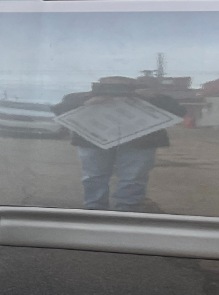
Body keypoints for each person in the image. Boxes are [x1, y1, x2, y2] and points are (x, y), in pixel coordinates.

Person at [52, 76, 186, 212]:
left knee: (133, 177)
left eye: (123, 87)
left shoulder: (151, 97)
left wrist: (149, 98)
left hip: (140, 141)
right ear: (99, 86)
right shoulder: (79, 97)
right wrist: (86, 102)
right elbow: (57, 111)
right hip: (93, 140)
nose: (116, 91)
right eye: (110, 87)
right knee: (94, 176)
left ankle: (128, 209)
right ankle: (95, 209)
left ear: (134, 86)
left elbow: (179, 112)